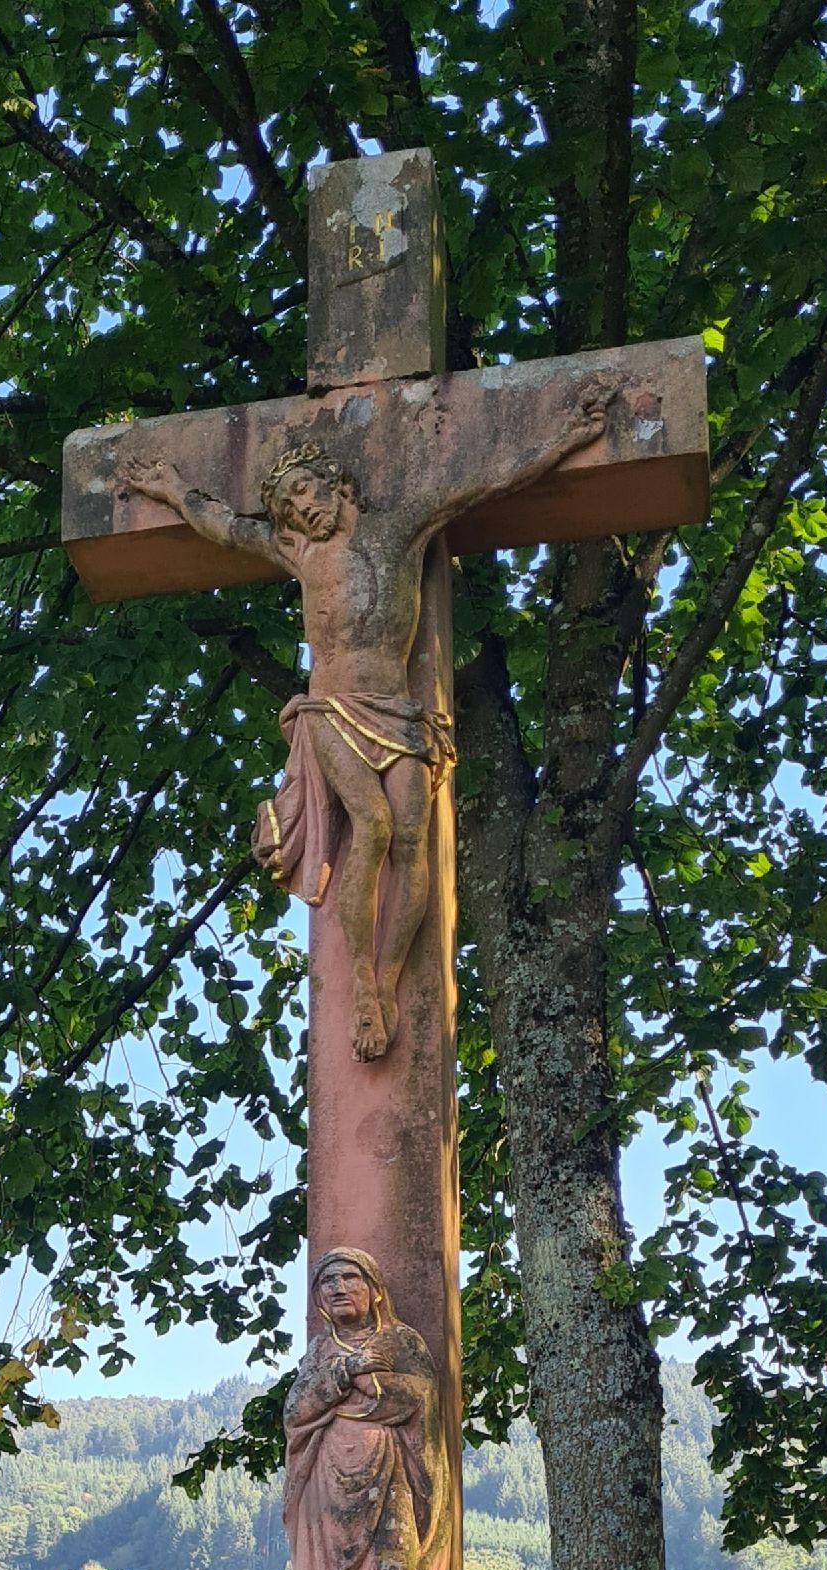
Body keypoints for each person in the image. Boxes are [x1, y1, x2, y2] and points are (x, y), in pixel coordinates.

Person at [117, 376, 617, 1060]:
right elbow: (223, 526)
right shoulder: (298, 551)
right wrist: (171, 488)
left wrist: (566, 436)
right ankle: (361, 980)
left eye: (305, 493)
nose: (300, 510)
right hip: (333, 709)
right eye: (288, 506)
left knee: (411, 836)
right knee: (372, 825)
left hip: (399, 713)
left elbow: (485, 481)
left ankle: (387, 977)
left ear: (338, 487)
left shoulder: (399, 528)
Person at [282, 1248, 452, 1570]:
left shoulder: (400, 1342)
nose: (338, 1288)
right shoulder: (321, 1351)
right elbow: (296, 1411)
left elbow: (421, 1398)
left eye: (349, 1278)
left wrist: (369, 1384)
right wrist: (347, 1370)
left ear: (375, 1290)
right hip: (326, 1481)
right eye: (327, 1281)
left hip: (388, 1476)